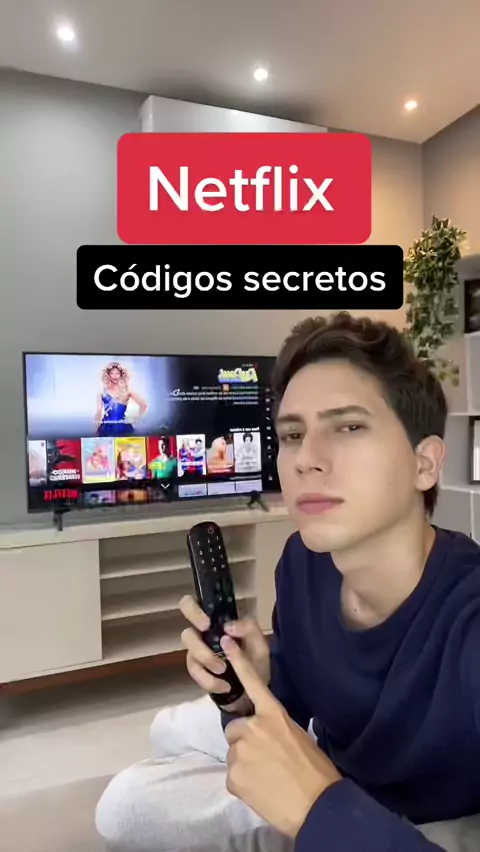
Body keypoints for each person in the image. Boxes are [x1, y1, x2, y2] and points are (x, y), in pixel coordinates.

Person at [95, 313, 480, 852]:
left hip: (384, 817)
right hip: (330, 757)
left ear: (425, 463)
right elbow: (295, 700)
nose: (306, 460)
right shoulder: (302, 560)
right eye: (293, 435)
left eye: (348, 427)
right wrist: (250, 685)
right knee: (168, 729)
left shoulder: (468, 622)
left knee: (124, 807)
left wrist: (313, 805)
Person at [95, 361, 147, 436]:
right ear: (108, 375)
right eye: (112, 373)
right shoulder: (101, 392)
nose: (115, 376)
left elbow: (143, 405)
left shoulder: (127, 391)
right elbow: (98, 412)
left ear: (121, 375)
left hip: (123, 428)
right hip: (106, 428)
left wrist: (136, 419)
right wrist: (96, 429)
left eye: (117, 373)